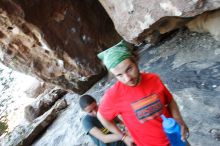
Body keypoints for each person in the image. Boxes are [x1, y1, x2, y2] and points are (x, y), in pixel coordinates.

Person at [96, 40, 190, 146]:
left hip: (175, 136)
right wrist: (123, 136)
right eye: (119, 75)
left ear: (135, 61)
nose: (127, 78)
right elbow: (101, 116)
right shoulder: (114, 95)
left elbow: (170, 100)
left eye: (129, 69)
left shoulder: (154, 79)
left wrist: (178, 119)